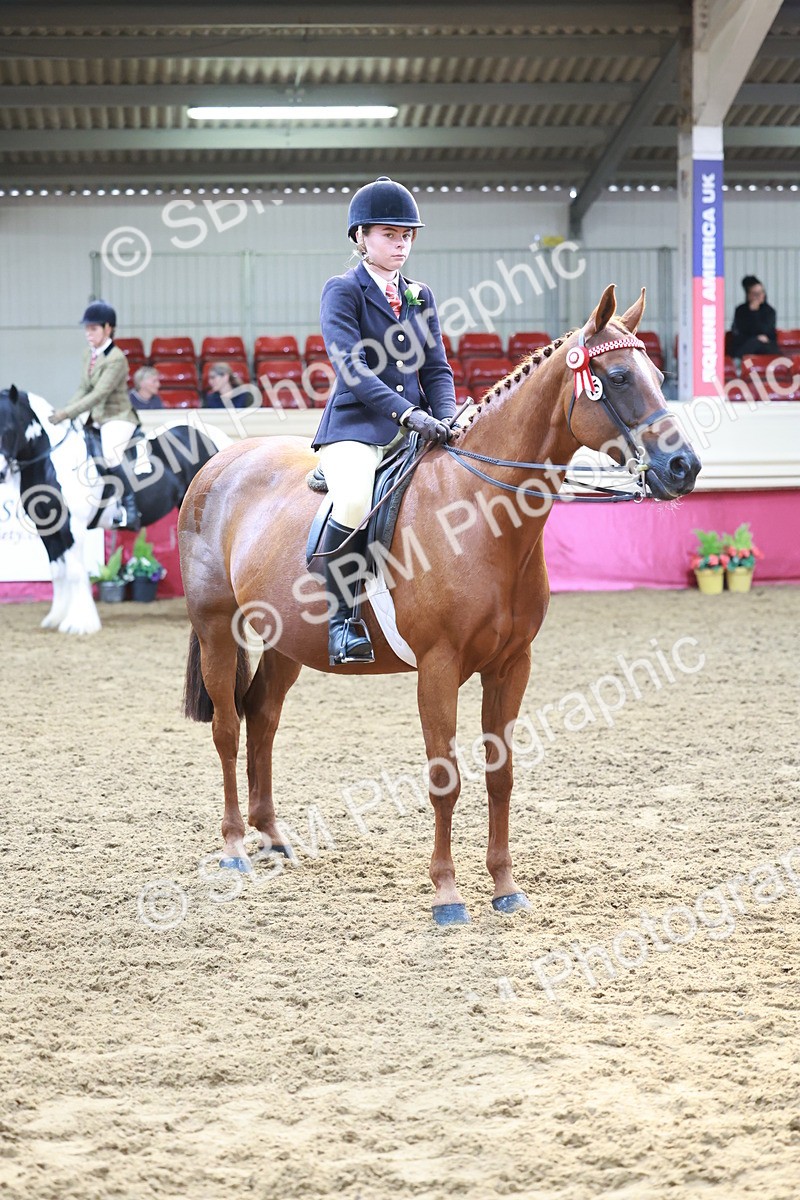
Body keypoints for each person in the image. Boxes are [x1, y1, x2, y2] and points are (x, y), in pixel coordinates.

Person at [311, 175, 456, 666]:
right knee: (353, 502)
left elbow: (436, 367)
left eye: (407, 235)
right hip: (357, 428)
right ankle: (341, 619)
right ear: (361, 238)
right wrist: (410, 414)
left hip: (417, 426)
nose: (401, 244)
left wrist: (448, 418)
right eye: (390, 235)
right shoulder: (343, 290)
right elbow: (352, 369)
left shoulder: (420, 295)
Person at [50, 300, 141, 530]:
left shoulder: (117, 358)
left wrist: (66, 413)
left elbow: (99, 394)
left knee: (111, 454)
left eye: (93, 329)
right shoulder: (88, 355)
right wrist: (65, 411)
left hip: (117, 416)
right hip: (95, 417)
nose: (88, 334)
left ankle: (130, 509)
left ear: (108, 328)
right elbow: (83, 388)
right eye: (86, 329)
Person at [730, 275, 779, 357]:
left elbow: (766, 331)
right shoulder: (741, 310)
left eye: (762, 292)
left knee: (769, 351)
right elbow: (740, 333)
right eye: (756, 293)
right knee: (748, 358)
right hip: (746, 351)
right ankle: (747, 368)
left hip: (765, 349)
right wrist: (753, 312)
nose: (760, 295)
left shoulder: (769, 311)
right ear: (748, 295)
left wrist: (755, 313)